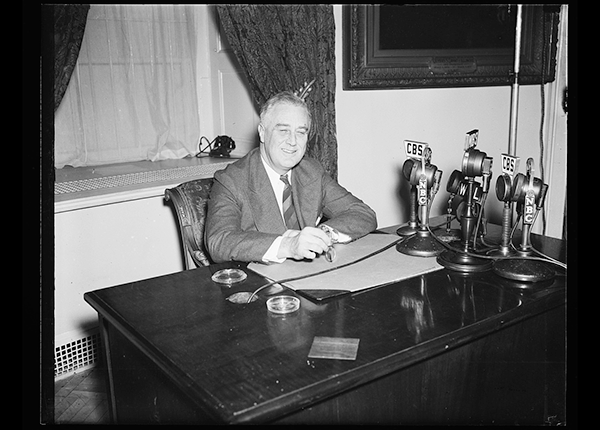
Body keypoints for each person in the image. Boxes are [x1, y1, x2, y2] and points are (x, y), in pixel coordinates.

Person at [205, 90, 377, 264]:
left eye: (301, 132)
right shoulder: (231, 180)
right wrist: (287, 245)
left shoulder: (311, 171)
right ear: (262, 133)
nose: (293, 141)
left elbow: (362, 213)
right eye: (283, 131)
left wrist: (324, 234)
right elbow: (219, 241)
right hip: (259, 282)